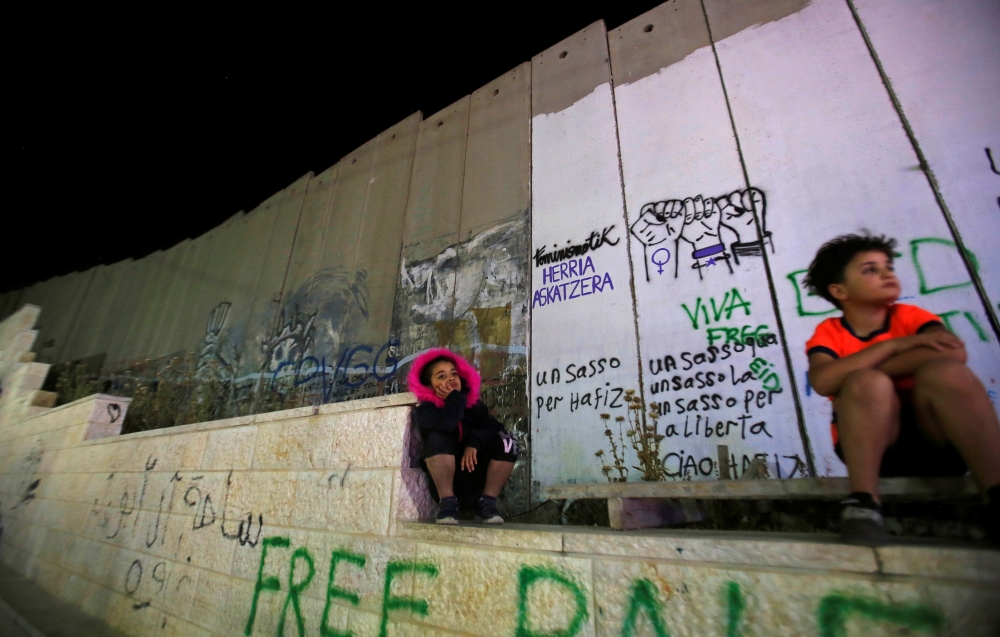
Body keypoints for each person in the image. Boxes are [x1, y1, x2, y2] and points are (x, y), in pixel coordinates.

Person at [804, 233, 1000, 545]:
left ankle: (995, 495)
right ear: (839, 290)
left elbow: (951, 352)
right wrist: (896, 345)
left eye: (888, 266)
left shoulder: (911, 316)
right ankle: (864, 504)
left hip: (940, 440)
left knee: (947, 373)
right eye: (870, 269)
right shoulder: (829, 332)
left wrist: (856, 367)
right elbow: (823, 380)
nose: (887, 273)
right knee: (866, 384)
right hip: (876, 452)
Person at [408, 348, 518, 525]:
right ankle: (448, 505)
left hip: (475, 478)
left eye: (454, 374)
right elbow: (447, 423)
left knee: (507, 441)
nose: (451, 379)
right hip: (447, 486)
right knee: (437, 435)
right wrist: (455, 399)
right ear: (429, 386)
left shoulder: (473, 406)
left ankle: (487, 504)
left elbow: (493, 426)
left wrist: (475, 443)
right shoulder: (427, 410)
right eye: (442, 376)